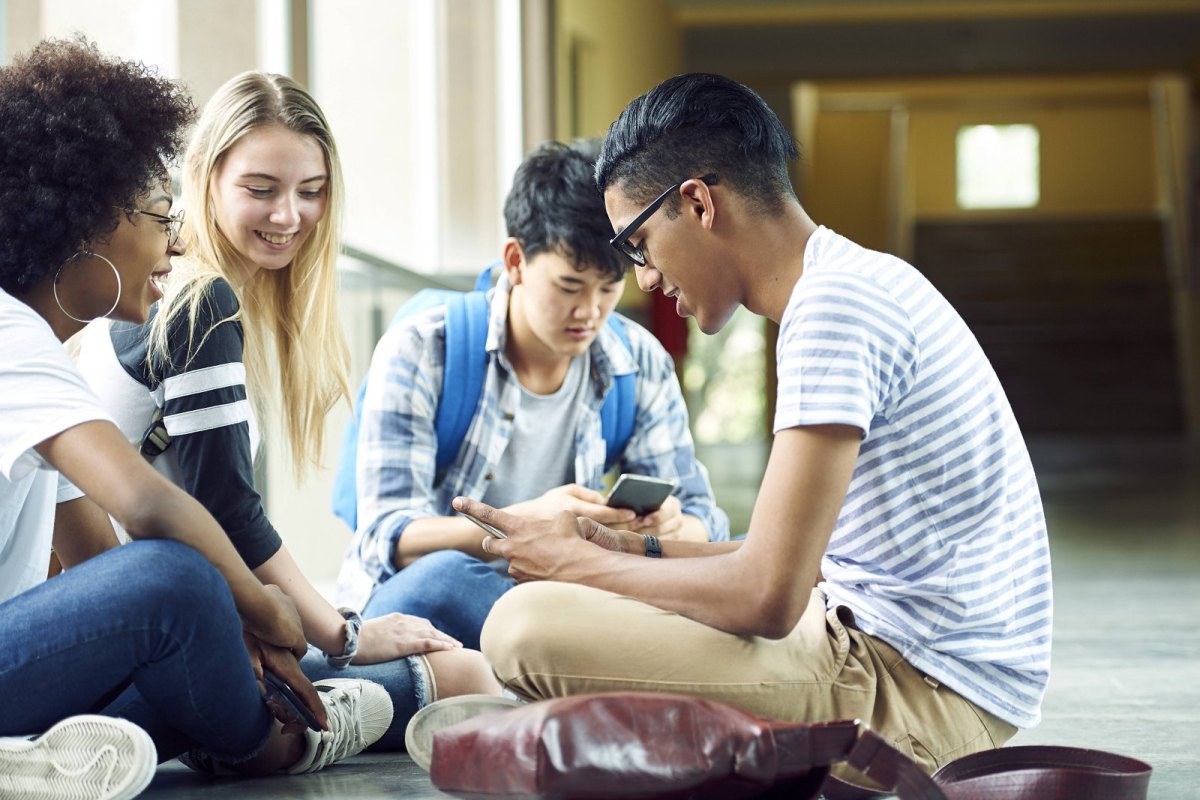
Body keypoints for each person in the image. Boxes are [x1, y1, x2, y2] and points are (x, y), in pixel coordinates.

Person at [452, 74, 1053, 779]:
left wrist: (574, 562)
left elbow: (767, 596)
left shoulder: (833, 311)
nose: (645, 279)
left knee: (523, 627)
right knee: (567, 596)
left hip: (925, 692)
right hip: (905, 651)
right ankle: (580, 735)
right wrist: (624, 546)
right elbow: (802, 562)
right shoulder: (855, 280)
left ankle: (544, 734)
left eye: (639, 243)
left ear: (698, 203)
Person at [0, 38, 389, 798]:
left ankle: (34, 756)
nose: (174, 242)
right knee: (176, 576)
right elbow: (149, 508)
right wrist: (268, 611)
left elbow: (94, 566)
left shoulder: (43, 355)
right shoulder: (9, 334)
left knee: (190, 636)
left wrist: (233, 636)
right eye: (156, 216)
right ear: (89, 223)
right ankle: (265, 747)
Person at [76, 70, 502, 753]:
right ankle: (270, 743)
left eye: (311, 192)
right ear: (206, 177)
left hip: (185, 622)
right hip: (137, 651)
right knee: (465, 674)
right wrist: (344, 635)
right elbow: (224, 511)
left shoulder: (206, 296)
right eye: (261, 189)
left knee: (445, 583)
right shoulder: (196, 303)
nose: (288, 216)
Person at [335, 141, 730, 650]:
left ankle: (583, 653)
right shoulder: (424, 348)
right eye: (569, 285)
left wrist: (666, 532)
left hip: (560, 605)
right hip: (424, 612)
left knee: (725, 570)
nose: (589, 310)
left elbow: (704, 518)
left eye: (608, 288)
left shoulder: (639, 361)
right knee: (447, 578)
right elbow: (387, 536)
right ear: (516, 261)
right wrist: (524, 526)